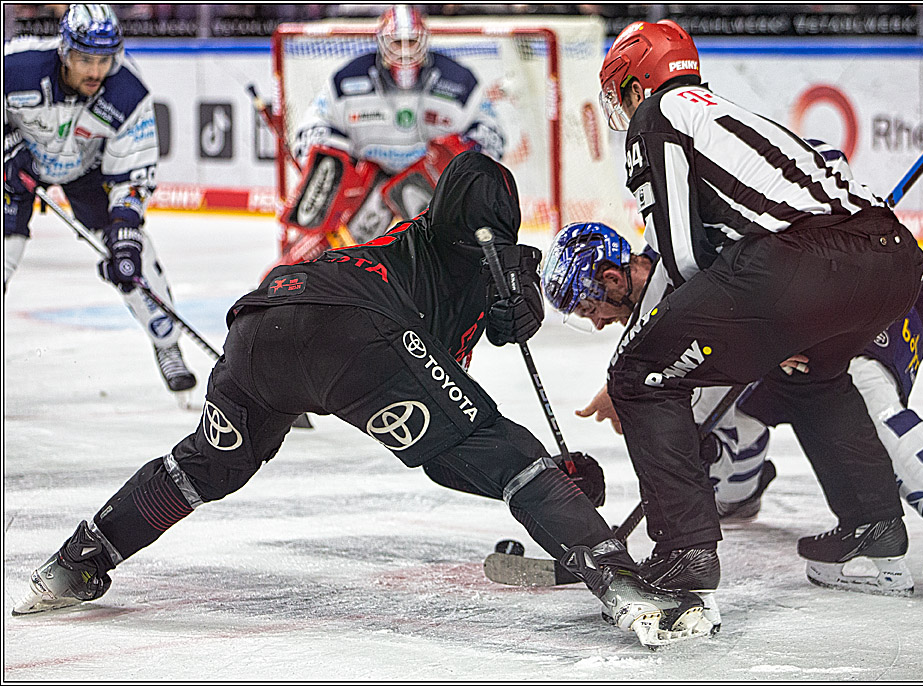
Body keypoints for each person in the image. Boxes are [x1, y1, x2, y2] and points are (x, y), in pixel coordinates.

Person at [12, 152, 715, 650]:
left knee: (206, 466)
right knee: (516, 454)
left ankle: (78, 561)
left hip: (268, 314)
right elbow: (474, 175)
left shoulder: (439, 266)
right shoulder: (476, 244)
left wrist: (549, 495)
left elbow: (450, 436)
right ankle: (624, 582)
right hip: (354, 328)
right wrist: (552, 490)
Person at [568, 18, 923, 612]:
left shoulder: (656, 118)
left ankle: (685, 550)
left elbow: (683, 258)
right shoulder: (719, 111)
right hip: (893, 262)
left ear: (637, 83)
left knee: (638, 374)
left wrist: (629, 363)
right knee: (812, 373)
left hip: (803, 265)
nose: (623, 108)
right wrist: (772, 330)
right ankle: (873, 529)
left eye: (621, 93)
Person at [554, 216, 923, 600]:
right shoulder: (660, 282)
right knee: (700, 398)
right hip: (796, 324)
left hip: (870, 293)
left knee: (860, 387)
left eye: (589, 307)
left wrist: (780, 328)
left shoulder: (692, 237)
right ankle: (737, 492)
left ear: (612, 278)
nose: (596, 323)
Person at [3, 4, 196, 397]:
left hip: (88, 171)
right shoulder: (16, 66)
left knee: (132, 257)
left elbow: (134, 169)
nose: (95, 71)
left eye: (104, 59)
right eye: (85, 58)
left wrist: (124, 225)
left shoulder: (127, 92)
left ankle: (166, 343)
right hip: (17, 168)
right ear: (64, 50)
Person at [279, 4, 506, 264]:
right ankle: (299, 274)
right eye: (398, 42)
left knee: (447, 250)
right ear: (382, 43)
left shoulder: (459, 81)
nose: (406, 51)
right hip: (371, 177)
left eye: (412, 42)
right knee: (341, 248)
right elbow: (313, 127)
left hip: (431, 179)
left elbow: (492, 134)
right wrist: (337, 159)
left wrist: (465, 153)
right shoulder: (347, 80)